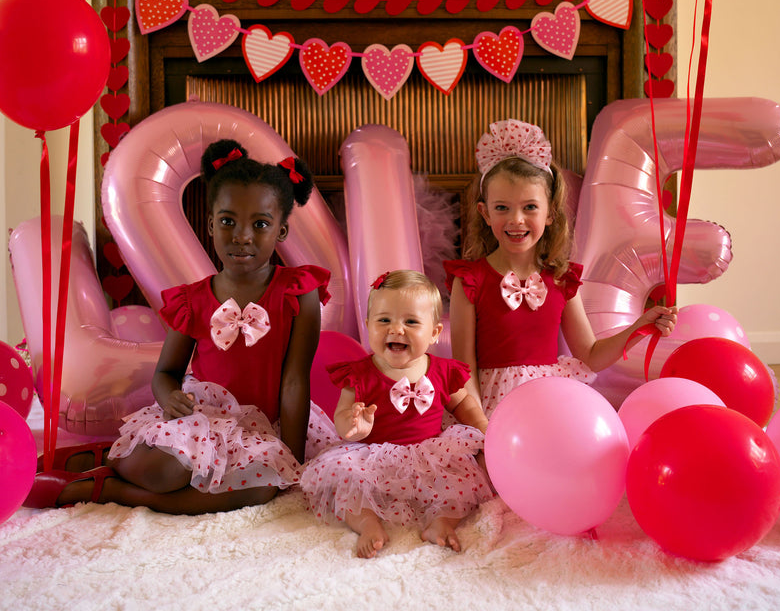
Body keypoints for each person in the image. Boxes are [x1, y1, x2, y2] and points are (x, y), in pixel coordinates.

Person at [25, 139, 337, 513]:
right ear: (210, 224)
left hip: (262, 427)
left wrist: (292, 457)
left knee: (261, 487)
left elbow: (294, 380)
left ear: (282, 231)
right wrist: (168, 396)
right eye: (228, 221)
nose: (242, 236)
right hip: (202, 418)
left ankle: (109, 490)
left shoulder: (298, 292)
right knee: (163, 473)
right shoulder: (192, 299)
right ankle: (106, 459)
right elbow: (166, 373)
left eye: (261, 224)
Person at [446, 118, 678, 417]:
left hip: (552, 404)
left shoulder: (561, 279)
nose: (516, 219)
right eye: (502, 207)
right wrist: (482, 430)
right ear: (485, 213)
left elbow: (591, 355)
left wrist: (639, 327)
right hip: (493, 411)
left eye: (530, 207)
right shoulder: (470, 281)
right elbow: (465, 371)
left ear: (550, 214)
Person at [301, 270, 492, 559]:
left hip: (429, 456)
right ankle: (368, 523)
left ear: (434, 333)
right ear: (367, 326)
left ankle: (441, 521)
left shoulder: (442, 370)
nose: (396, 329)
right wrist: (354, 424)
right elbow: (341, 418)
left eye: (411, 322)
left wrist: (483, 429)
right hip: (373, 457)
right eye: (384, 320)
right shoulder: (360, 374)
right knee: (347, 485)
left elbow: (463, 403)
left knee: (462, 482)